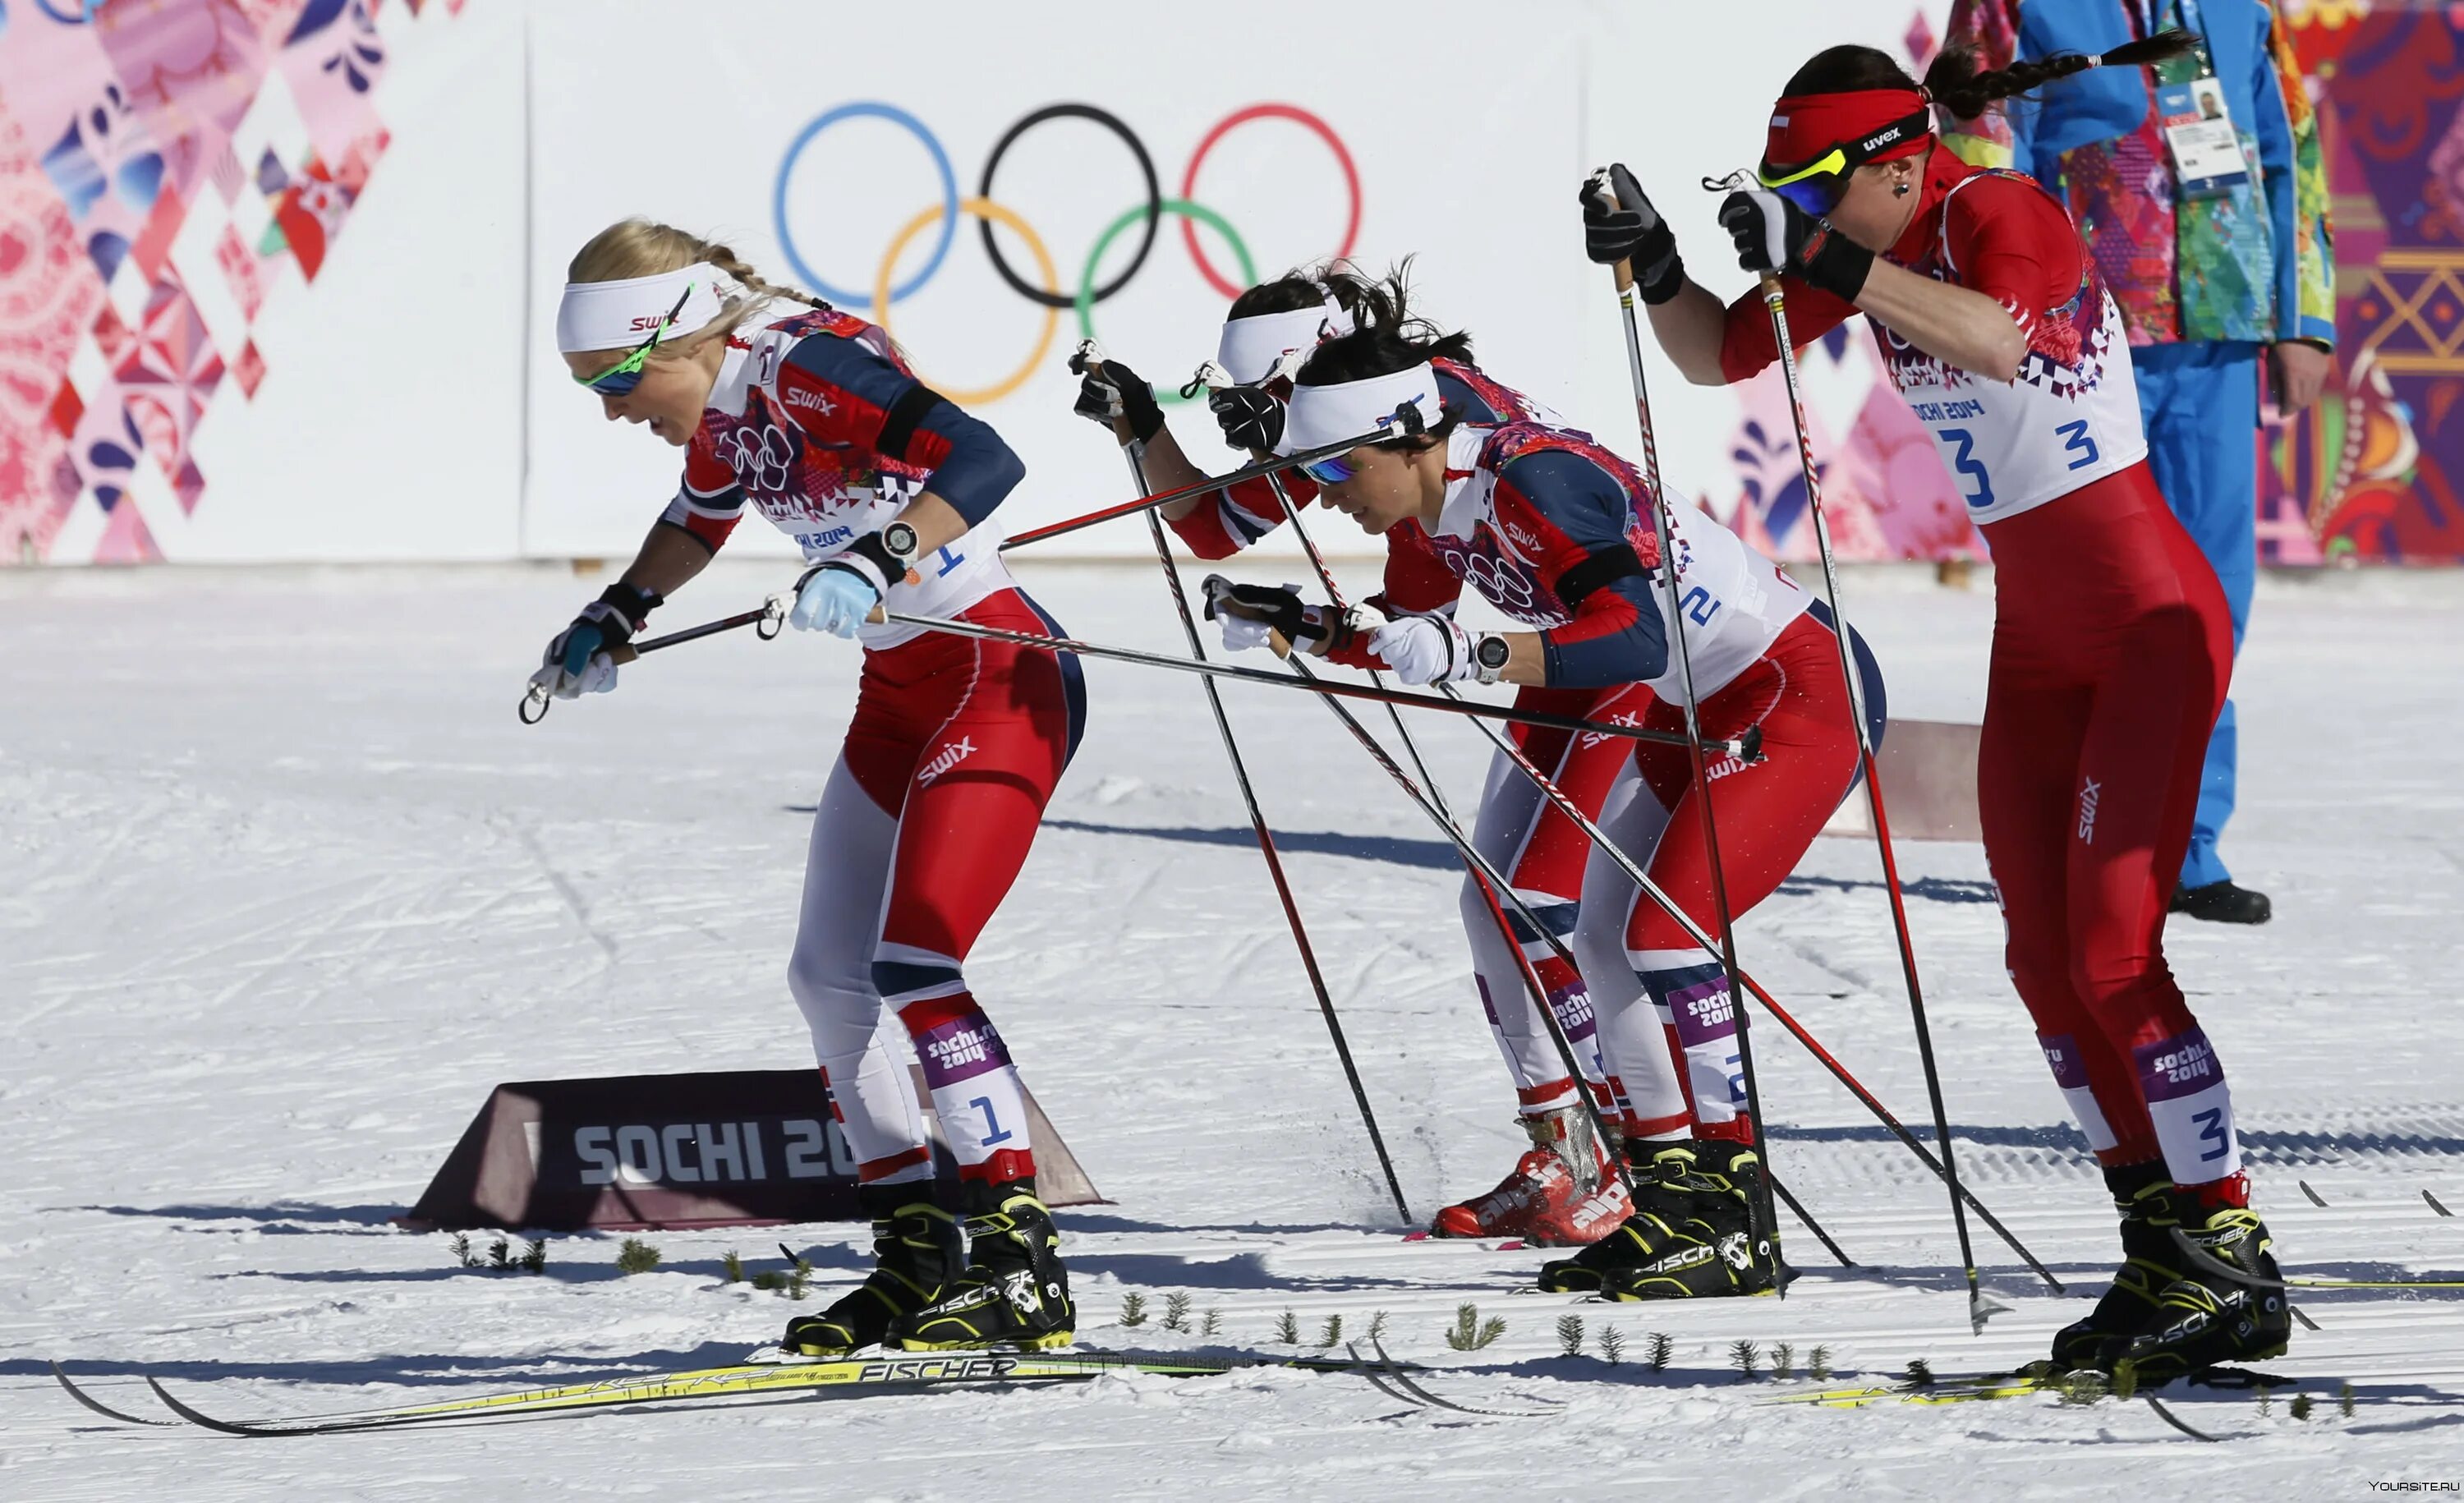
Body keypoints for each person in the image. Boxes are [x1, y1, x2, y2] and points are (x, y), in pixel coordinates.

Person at [1580, 35, 2287, 1369]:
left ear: (1893, 168)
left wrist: (1836, 263)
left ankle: (2230, 1249)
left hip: (2147, 628)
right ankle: (2161, 1248)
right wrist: (1660, 260)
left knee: (2113, 954)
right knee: (2038, 960)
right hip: (2038, 644)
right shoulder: (1881, 245)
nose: (1799, 219)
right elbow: (1716, 357)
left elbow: (1999, 339)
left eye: (1813, 190)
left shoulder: (1993, 210)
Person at [1209, 315, 1885, 1299]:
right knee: (1604, 940)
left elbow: (1633, 643)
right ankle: (1669, 1204)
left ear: (1404, 433)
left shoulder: (1535, 480)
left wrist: (1481, 654)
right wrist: (1304, 623)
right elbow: (1411, 640)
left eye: (1336, 471)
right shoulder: (1435, 509)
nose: (1328, 497)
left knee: (1665, 938)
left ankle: (1738, 1215)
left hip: (1798, 692)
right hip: (1692, 712)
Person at [530, 219, 1084, 1355]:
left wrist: (874, 557)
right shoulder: (727, 403)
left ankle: (1021, 1265)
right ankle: (918, 1253)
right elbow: (701, 515)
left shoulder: (803, 361)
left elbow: (984, 457)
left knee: (916, 963)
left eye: (618, 379)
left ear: (679, 334)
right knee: (828, 976)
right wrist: (614, 613)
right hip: (899, 687)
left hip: (997, 669)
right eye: (591, 387)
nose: (611, 409)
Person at [1073, 268, 1641, 1247]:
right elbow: (1219, 528)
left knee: (1538, 901)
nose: (1286, 446)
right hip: (1557, 650)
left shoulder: (1394, 424)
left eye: (1278, 408)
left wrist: (1392, 633)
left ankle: (1622, 1155)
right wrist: (1141, 429)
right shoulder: (1348, 427)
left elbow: (1440, 611)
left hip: (1620, 647)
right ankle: (1561, 1147)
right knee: (1492, 904)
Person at [1942, 0, 2338, 925]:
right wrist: (1996, 309)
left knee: (2209, 594)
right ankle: (2070, 833)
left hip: (2219, 333)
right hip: (2079, 335)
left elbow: (2293, 152)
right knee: (2088, 591)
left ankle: (2183, 845)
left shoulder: (2242, 7)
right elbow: (1977, 149)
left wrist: (2303, 319)